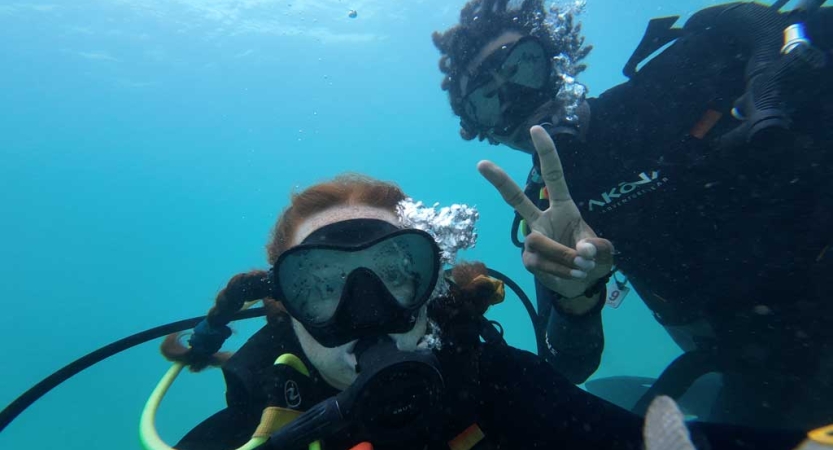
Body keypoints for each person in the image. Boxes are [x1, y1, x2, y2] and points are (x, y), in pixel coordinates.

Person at [140, 172, 816, 450]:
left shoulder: (490, 380)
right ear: (284, 308)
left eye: (394, 275)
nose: (367, 313)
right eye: (323, 284)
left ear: (430, 287)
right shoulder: (258, 420)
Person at [432, 0, 833, 429]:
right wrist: (575, 299)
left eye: (522, 68)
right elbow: (570, 365)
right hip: (764, 364)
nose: (516, 101)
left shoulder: (672, 87)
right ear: (486, 131)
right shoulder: (548, 215)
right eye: (488, 100)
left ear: (557, 62)